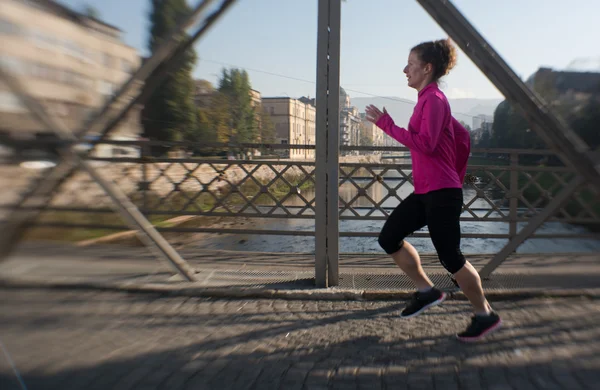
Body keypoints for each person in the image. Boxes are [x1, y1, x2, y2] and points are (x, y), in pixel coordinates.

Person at [365, 39, 501, 342]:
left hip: (441, 194)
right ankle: (427, 291)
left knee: (451, 259)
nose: (405, 70)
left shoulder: (435, 100)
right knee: (388, 237)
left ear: (427, 68)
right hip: (428, 191)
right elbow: (461, 137)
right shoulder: (428, 100)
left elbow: (426, 143)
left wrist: (385, 123)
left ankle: (485, 315)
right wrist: (454, 171)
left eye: (410, 64)